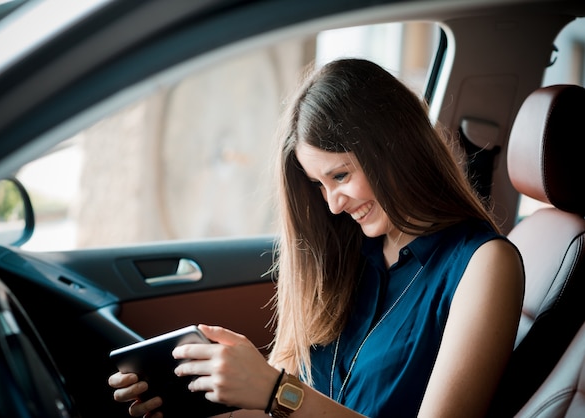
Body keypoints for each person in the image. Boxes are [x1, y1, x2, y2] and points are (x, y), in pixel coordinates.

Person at [108, 58, 524, 418]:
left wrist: (277, 391)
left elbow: (292, 403)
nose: (333, 205)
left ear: (396, 148)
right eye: (319, 185)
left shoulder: (484, 263)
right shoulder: (346, 251)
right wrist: (204, 398)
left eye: (340, 175)